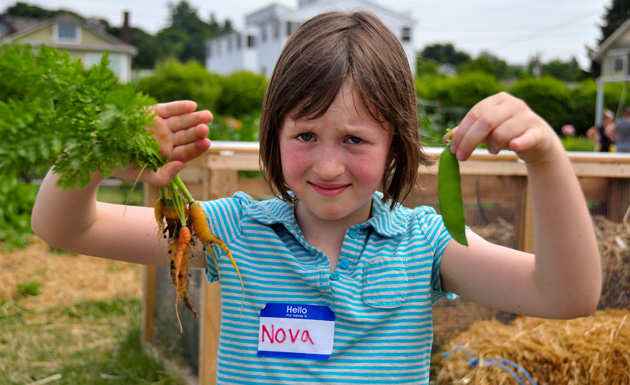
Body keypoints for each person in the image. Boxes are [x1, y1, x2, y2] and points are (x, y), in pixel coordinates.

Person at [31, 11, 602, 385]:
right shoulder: (231, 232)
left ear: (395, 143)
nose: (328, 166)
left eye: (355, 139)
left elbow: (569, 295)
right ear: (273, 137)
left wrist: (547, 158)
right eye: (305, 136)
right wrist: (101, 151)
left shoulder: (424, 244)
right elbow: (66, 228)